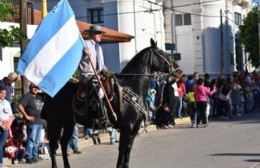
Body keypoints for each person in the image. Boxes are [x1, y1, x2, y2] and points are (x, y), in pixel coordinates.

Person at [78, 25, 109, 127]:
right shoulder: (84, 44)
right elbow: (75, 55)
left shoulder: (99, 47)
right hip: (87, 74)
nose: (100, 35)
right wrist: (82, 53)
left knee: (111, 83)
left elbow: (101, 64)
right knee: (98, 89)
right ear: (91, 34)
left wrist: (105, 69)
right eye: (98, 33)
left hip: (98, 74)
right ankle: (101, 117)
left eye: (100, 33)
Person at [17, 83, 45, 164]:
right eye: (34, 87)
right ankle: (28, 156)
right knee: (31, 139)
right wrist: (26, 116)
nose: (36, 89)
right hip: (32, 122)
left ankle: (34, 155)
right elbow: (19, 106)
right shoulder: (27, 96)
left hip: (40, 121)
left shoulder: (39, 96)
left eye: (37, 87)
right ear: (30, 88)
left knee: (37, 141)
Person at [0, 86, 14, 168]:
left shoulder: (7, 103)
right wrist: (1, 125)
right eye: (1, 93)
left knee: (1, 145)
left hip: (5, 128)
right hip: (0, 126)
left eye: (4, 93)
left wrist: (8, 126)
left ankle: (1, 163)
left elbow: (10, 116)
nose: (3, 95)